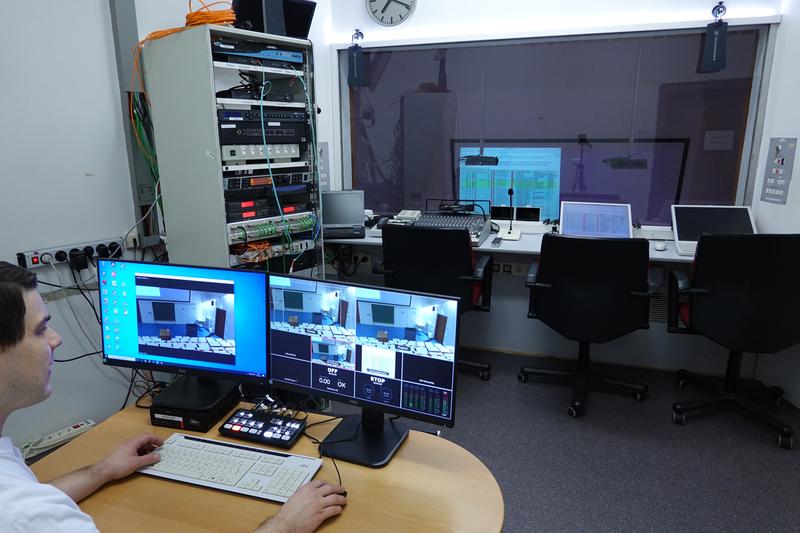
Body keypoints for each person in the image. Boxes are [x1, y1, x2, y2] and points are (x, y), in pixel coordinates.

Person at [0, 261, 346, 532]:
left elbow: (40, 502)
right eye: (41, 328)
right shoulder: (24, 514)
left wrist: (103, 470)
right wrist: (287, 524)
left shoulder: (17, 490)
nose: (56, 339)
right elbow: (31, 513)